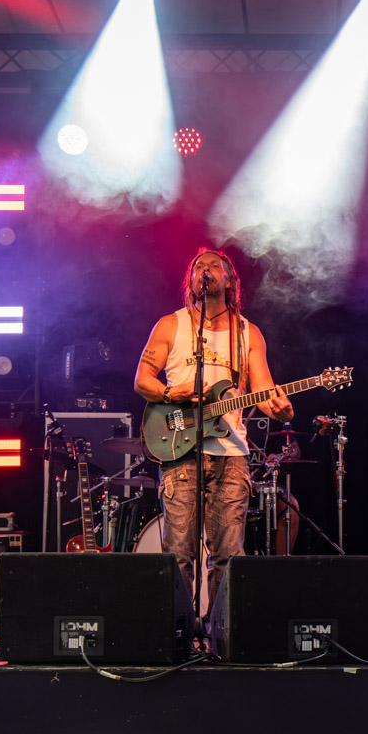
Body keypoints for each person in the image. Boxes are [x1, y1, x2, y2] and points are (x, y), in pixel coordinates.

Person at [133, 247, 292, 612]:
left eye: (213, 266)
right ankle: (179, 631)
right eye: (198, 267)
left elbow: (263, 390)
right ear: (191, 280)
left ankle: (222, 632)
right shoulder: (170, 325)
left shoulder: (248, 333)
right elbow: (142, 379)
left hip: (231, 454)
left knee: (228, 555)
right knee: (178, 553)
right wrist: (171, 393)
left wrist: (279, 409)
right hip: (180, 449)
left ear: (229, 279)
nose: (205, 270)